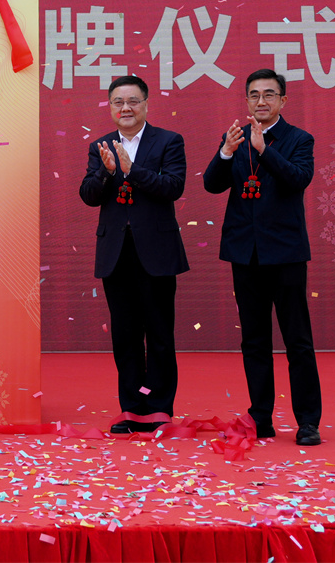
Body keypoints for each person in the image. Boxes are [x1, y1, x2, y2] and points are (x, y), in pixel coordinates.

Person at [203, 69, 322, 446]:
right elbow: (211, 184)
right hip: (245, 253)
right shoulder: (235, 138)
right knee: (254, 341)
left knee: (297, 340)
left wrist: (264, 151)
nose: (261, 101)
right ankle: (261, 416)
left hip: (285, 254)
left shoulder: (299, 139)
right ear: (246, 100)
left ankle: (308, 421)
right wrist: (226, 151)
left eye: (269, 94)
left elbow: (297, 179)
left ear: (283, 100)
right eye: (254, 95)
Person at [79, 75, 189, 434]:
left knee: (158, 332)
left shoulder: (169, 141)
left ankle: (158, 407)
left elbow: (173, 187)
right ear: (110, 107)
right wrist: (108, 172)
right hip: (116, 253)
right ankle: (131, 407)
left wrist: (132, 170)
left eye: (133, 101)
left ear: (146, 104)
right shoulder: (100, 146)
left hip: (156, 251)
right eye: (118, 102)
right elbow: (88, 195)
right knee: (125, 334)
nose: (125, 108)